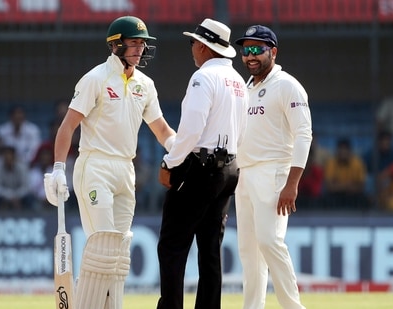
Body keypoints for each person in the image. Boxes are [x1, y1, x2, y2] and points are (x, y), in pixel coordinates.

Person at [43, 16, 176, 309]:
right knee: (102, 246)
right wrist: (58, 168)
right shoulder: (95, 79)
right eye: (134, 43)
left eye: (143, 44)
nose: (140, 49)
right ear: (116, 45)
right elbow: (67, 127)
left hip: (125, 170)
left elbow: (162, 130)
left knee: (118, 252)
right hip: (95, 167)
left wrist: (181, 152)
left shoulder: (145, 84)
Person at [156, 18, 248, 309]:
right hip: (230, 167)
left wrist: (170, 163)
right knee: (210, 250)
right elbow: (242, 130)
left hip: (201, 166)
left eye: (195, 42)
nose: (193, 48)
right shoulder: (239, 83)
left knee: (172, 245)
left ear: (206, 47)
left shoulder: (203, 78)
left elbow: (191, 129)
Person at [234, 25, 310, 309]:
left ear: (273, 52)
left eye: (258, 50)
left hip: (274, 171)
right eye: (246, 50)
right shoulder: (245, 88)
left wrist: (292, 183)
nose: (250, 56)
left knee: (269, 241)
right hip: (245, 174)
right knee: (248, 251)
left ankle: (293, 307)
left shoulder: (287, 85)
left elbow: (304, 134)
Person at [323, 138, 369, 210]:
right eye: (341, 149)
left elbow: (361, 186)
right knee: (326, 199)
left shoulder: (358, 163)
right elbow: (329, 187)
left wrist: (339, 186)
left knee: (363, 199)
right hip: (336, 195)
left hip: (353, 195)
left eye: (345, 150)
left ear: (350, 151)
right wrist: (347, 186)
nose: (343, 152)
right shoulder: (331, 163)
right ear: (337, 151)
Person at [0, 145, 32, 210]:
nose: (8, 158)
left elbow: (26, 187)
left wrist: (16, 196)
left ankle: (30, 217)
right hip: (3, 196)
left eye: (10, 156)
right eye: (6, 156)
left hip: (19, 197)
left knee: (29, 198)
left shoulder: (22, 168)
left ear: (14, 157)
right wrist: (9, 196)